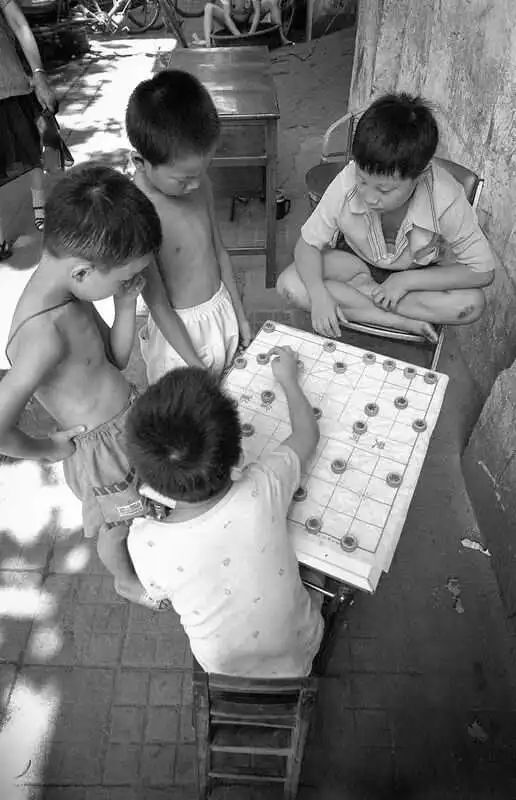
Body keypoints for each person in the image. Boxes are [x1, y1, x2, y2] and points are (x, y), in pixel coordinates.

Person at [0, 163, 170, 609]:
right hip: (99, 455)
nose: (130, 283)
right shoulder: (42, 336)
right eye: (123, 278)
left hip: (126, 420)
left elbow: (114, 359)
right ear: (82, 272)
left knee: (142, 503)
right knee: (116, 527)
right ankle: (125, 580)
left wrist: (125, 302)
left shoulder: (70, 290)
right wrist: (45, 450)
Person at [125, 348, 324, 677]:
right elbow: (307, 435)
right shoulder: (262, 485)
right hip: (298, 654)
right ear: (238, 461)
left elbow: (157, 593)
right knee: (319, 573)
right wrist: (288, 380)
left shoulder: (144, 542)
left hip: (220, 670)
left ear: (154, 486)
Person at [277, 93, 495, 341]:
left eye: (384, 190)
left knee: (471, 303)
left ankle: (357, 299)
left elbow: (483, 271)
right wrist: (318, 295)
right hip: (355, 266)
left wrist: (406, 281)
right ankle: (401, 321)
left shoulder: (445, 197)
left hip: (416, 276)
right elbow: (307, 245)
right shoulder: (346, 181)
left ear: (421, 175)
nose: (370, 198)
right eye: (363, 181)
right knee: (290, 284)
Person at [125, 70, 251, 385]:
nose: (196, 184)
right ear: (140, 162)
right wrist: (195, 365)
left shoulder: (198, 183)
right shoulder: (137, 213)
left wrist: (240, 316)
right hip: (179, 343)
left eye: (202, 171)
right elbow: (157, 303)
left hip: (221, 314)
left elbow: (219, 253)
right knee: (188, 412)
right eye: (183, 179)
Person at [0, 0, 57, 248]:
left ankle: (39, 203)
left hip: (10, 84)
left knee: (32, 149)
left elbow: (19, 23)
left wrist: (39, 74)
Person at [202, 0, 292, 47]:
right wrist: (238, 35)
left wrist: (251, 32)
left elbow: (257, 13)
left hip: (250, 19)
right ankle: (208, 43)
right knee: (209, 7)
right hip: (232, 21)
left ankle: (281, 37)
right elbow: (227, 17)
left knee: (271, 2)